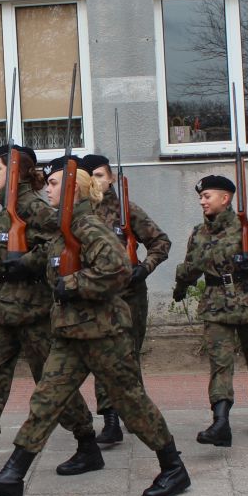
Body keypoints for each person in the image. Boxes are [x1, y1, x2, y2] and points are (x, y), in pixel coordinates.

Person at [0, 157, 191, 496]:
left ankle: (173, 467)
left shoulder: (87, 226)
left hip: (103, 334)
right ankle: (12, 476)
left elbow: (117, 269)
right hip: (70, 333)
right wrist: (24, 265)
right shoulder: (65, 228)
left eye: (54, 184)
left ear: (74, 191)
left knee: (131, 402)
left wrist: (72, 284)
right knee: (45, 402)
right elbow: (49, 259)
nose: (47, 188)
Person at [0, 144, 103, 480]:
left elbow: (65, 241)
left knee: (52, 381)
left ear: (15, 173)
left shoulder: (37, 209)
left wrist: (29, 262)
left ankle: (87, 443)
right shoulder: (6, 212)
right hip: (4, 310)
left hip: (35, 312)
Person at [172, 175, 248, 446]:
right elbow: (191, 266)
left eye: (207, 196)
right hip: (216, 306)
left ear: (225, 198)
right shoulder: (198, 233)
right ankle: (220, 422)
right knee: (220, 364)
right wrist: (181, 286)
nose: (202, 201)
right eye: (200, 197)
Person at [77, 154, 171, 445]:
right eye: (91, 176)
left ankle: (137, 414)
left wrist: (144, 268)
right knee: (102, 355)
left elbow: (161, 242)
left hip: (130, 295)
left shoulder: (126, 210)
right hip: (98, 297)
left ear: (111, 178)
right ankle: (110, 420)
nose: (97, 181)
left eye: (101, 175)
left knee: (129, 355)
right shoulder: (80, 213)